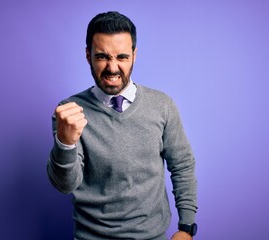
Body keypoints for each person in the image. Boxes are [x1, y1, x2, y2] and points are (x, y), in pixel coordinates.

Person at [47, 11, 198, 240]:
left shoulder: (162, 105)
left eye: (122, 57)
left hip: (152, 236)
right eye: (102, 57)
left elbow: (182, 165)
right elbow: (65, 185)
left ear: (134, 55)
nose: (112, 68)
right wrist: (65, 143)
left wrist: (187, 227)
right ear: (88, 56)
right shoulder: (69, 112)